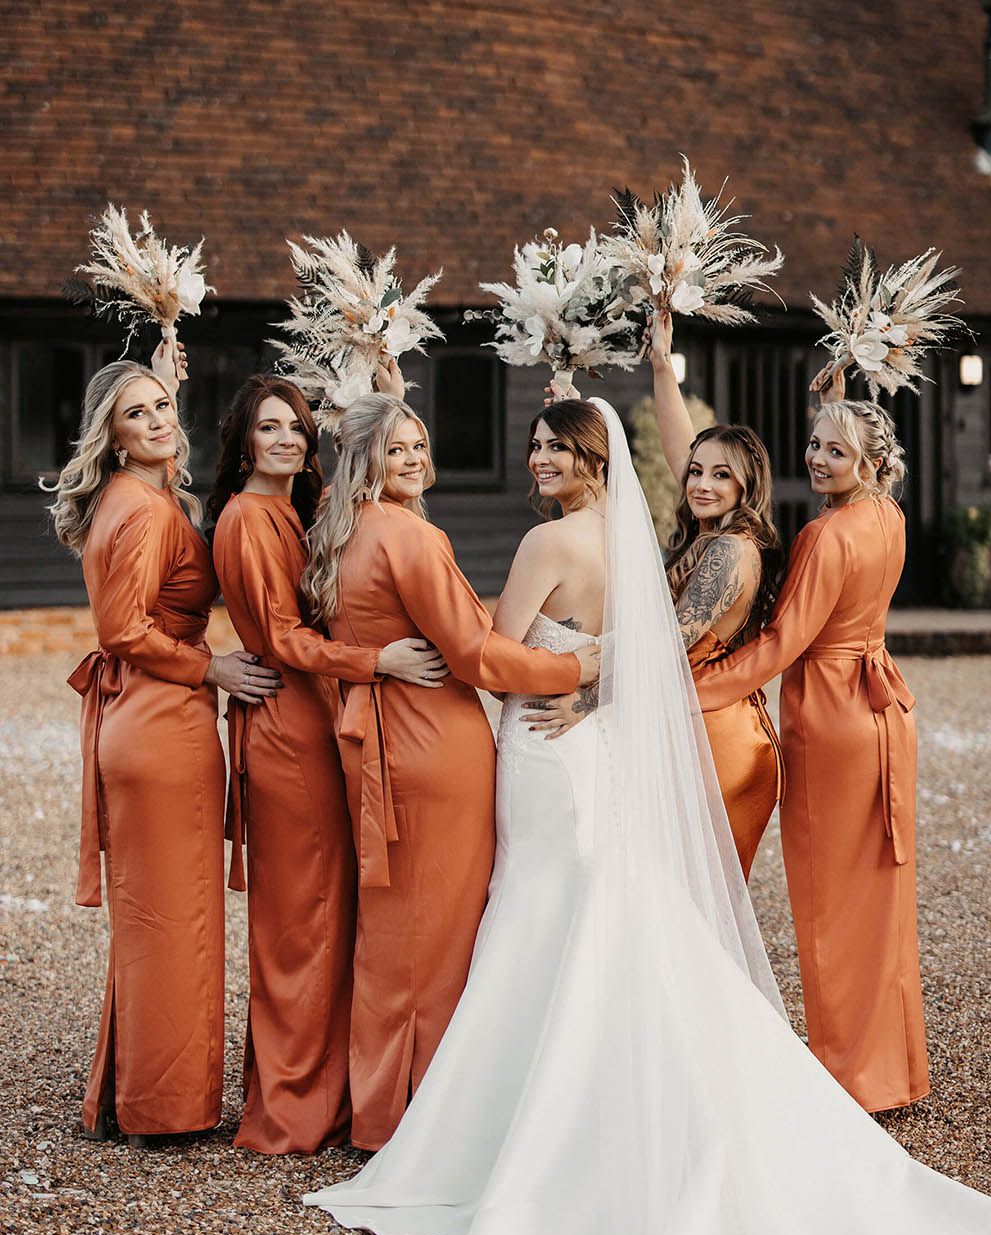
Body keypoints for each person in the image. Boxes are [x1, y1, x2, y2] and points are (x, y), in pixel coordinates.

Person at [304, 396, 991, 1235]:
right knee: (579, 924)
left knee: (547, 922)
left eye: (553, 446)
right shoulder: (633, 539)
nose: (536, 457)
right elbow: (655, 639)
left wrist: (559, 669)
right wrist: (592, 664)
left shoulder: (548, 539)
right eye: (531, 441)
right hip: (591, 746)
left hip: (549, 744)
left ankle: (527, 1142)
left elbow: (491, 651)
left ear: (588, 462)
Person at [300, 392, 597, 1150]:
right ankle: (419, 1118)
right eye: (399, 447)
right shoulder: (411, 538)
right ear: (368, 457)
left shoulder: (340, 527)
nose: (417, 458)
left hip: (382, 742)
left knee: (395, 929)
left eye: (421, 444)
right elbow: (476, 656)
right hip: (438, 746)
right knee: (440, 935)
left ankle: (380, 1108)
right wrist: (570, 665)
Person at [208, 373, 446, 1154]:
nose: (286, 439)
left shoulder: (295, 509)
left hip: (321, 720)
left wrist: (388, 402)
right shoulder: (246, 519)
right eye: (270, 426)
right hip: (287, 730)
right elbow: (281, 639)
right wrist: (379, 660)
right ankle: (290, 1107)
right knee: (301, 921)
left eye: (298, 427)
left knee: (333, 911)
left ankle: (330, 1088)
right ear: (243, 437)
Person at [44, 355, 279, 1144]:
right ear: (110, 439)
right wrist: (210, 664)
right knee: (173, 919)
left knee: (156, 918)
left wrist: (162, 373)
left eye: (162, 407)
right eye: (136, 414)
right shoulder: (141, 511)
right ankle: (167, 1107)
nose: (157, 420)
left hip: (148, 721)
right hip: (158, 722)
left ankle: (134, 1091)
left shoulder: (132, 494)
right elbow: (122, 630)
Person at [694, 391, 929, 1113]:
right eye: (815, 444)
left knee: (829, 903)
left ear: (871, 461)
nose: (817, 459)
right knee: (881, 901)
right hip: (882, 711)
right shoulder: (887, 516)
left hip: (831, 718)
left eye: (835, 450)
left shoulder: (826, 536)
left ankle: (847, 1078)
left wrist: (692, 689)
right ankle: (892, 1071)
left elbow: (780, 643)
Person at [527, 314, 783, 878]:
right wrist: (661, 364)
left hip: (718, 741)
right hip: (684, 724)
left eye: (721, 476)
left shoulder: (729, 552)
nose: (700, 483)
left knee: (697, 900)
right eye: (696, 472)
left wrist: (588, 701)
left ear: (746, 486)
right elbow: (678, 447)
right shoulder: (709, 532)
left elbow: (666, 648)